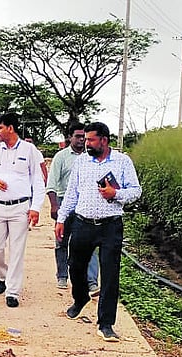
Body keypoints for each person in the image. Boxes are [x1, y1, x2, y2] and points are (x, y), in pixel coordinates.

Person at [55, 122, 142, 342]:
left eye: (91, 140)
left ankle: (106, 323)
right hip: (82, 224)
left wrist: (116, 194)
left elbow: (136, 191)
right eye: (85, 140)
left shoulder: (123, 162)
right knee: (75, 266)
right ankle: (80, 298)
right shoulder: (82, 161)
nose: (86, 144)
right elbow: (72, 193)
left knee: (110, 275)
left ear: (104, 140)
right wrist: (62, 219)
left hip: (110, 226)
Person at [0, 113, 45, 308]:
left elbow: (37, 180)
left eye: (0, 128)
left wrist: (35, 208)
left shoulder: (29, 150)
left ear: (11, 128)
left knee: (17, 250)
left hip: (20, 208)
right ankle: (3, 275)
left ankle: (13, 292)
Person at [46, 123, 100, 294]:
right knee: (62, 241)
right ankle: (62, 275)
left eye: (84, 136)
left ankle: (91, 281)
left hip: (85, 204)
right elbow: (52, 184)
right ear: (69, 137)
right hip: (64, 202)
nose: (81, 139)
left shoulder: (91, 158)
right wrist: (55, 205)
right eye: (77, 136)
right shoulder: (61, 157)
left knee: (89, 243)